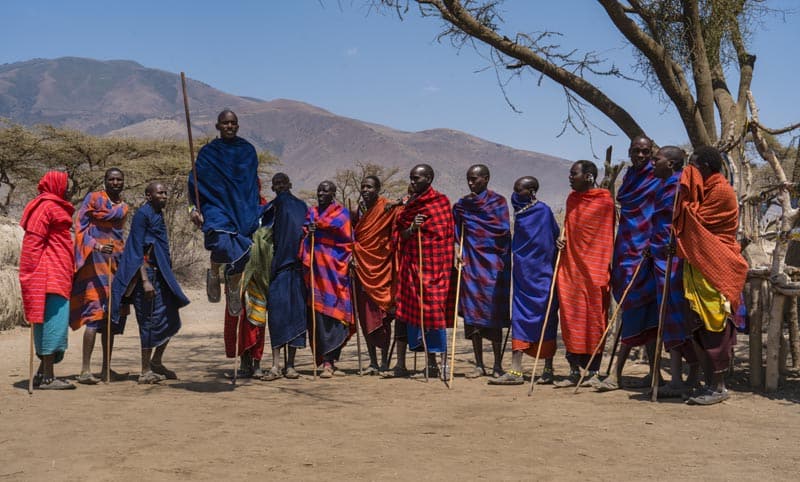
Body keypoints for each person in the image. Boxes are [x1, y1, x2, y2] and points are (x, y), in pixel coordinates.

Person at [188, 110, 264, 377]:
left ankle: (232, 285)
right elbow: (193, 183)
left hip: (242, 209)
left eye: (233, 123)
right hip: (216, 208)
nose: (229, 126)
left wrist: (254, 212)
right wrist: (193, 210)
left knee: (242, 253)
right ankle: (214, 271)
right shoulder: (208, 153)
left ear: (237, 125)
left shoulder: (247, 151)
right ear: (217, 125)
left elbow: (251, 185)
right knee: (220, 243)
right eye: (225, 123)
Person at [672, 146, 748, 405]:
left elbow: (695, 223)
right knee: (697, 327)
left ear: (704, 167)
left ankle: (719, 387)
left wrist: (683, 204)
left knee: (715, 327)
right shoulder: (702, 192)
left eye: (692, 165)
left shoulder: (722, 191)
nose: (688, 170)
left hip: (718, 267)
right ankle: (708, 385)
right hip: (698, 268)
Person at [595, 136, 662, 392]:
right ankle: (653, 374)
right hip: (626, 248)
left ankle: (617, 373)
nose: (641, 155)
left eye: (645, 151)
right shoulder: (629, 177)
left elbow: (662, 214)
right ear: (630, 151)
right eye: (636, 151)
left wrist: (654, 244)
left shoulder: (657, 177)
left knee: (641, 309)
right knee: (635, 307)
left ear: (651, 152)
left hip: (648, 252)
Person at [111, 182, 189, 384]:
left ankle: (156, 361)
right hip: (145, 276)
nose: (164, 196)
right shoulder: (142, 215)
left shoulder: (157, 214)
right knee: (147, 321)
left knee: (171, 317)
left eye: (165, 192)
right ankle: (145, 370)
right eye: (160, 193)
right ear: (148, 196)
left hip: (160, 274)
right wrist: (145, 280)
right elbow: (136, 249)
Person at [490, 176, 560, 386]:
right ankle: (516, 370)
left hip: (543, 276)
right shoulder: (519, 213)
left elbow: (554, 237)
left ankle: (548, 369)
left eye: (518, 190)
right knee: (519, 319)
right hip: (522, 277)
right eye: (513, 189)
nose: (514, 194)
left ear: (531, 191)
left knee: (546, 318)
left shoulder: (543, 212)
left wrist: (559, 243)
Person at [555, 160, 615, 388]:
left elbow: (605, 236)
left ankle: (593, 370)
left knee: (594, 317)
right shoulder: (572, 200)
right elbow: (569, 229)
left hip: (595, 267)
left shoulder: (604, 202)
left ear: (589, 176)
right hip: (571, 268)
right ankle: (573, 369)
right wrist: (561, 241)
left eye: (574, 174)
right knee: (571, 317)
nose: (570, 178)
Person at [391, 164, 454, 378]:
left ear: (429, 178)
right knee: (417, 316)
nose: (412, 181)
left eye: (416, 178)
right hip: (413, 267)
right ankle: (430, 363)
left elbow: (445, 236)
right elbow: (401, 234)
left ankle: (443, 364)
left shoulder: (440, 202)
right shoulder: (410, 205)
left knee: (435, 314)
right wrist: (413, 228)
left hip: (435, 269)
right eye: (411, 178)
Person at [69, 167, 129, 384]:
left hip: (115, 263)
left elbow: (119, 236)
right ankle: (85, 370)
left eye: (119, 179)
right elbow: (80, 229)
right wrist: (97, 246)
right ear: (105, 181)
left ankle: (106, 369)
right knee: (94, 315)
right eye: (111, 179)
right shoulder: (93, 199)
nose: (115, 182)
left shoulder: (123, 207)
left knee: (110, 318)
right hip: (93, 264)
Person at [650, 145, 700, 398]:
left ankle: (691, 375)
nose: (652, 164)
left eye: (656, 160)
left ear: (670, 163)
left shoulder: (681, 187)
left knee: (682, 318)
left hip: (677, 262)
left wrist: (676, 244)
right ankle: (677, 378)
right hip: (661, 258)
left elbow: (687, 222)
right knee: (668, 318)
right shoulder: (663, 186)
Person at [452, 164, 511, 379]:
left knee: (494, 314)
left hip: (493, 266)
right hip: (471, 265)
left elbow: (504, 230)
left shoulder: (498, 202)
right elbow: (455, 233)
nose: (470, 183)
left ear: (485, 179)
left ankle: (497, 365)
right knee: (472, 315)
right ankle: (478, 365)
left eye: (474, 179)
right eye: (468, 178)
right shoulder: (462, 205)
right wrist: (457, 250)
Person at [19, 171, 76, 390]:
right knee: (54, 324)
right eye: (66, 186)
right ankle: (48, 378)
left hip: (58, 272)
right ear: (56, 186)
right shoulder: (45, 207)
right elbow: (32, 243)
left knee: (53, 323)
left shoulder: (55, 206)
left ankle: (42, 373)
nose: (68, 190)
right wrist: (32, 274)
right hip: (48, 275)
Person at [300, 181, 354, 378]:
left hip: (335, 274)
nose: (321, 193)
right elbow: (304, 236)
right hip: (316, 274)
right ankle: (325, 362)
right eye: (319, 190)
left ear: (333, 194)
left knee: (336, 317)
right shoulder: (311, 213)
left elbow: (348, 242)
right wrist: (309, 232)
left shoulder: (342, 214)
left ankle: (331, 361)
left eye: (325, 190)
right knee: (319, 319)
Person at [260, 173, 308, 381]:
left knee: (295, 316)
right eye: (276, 184)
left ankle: (290, 366)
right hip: (278, 268)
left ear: (290, 184)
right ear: (273, 188)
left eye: (282, 183)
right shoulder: (271, 208)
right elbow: (261, 235)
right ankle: (275, 366)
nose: (279, 187)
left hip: (296, 269)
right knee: (277, 316)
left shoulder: (301, 206)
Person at [352, 175, 398, 374]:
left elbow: (400, 222)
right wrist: (352, 252)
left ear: (378, 189)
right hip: (362, 270)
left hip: (382, 269)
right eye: (363, 186)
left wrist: (399, 205)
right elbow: (351, 236)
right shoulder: (357, 211)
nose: (365, 190)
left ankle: (385, 361)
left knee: (384, 317)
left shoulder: (387, 207)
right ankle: (372, 362)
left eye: (369, 187)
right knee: (366, 317)